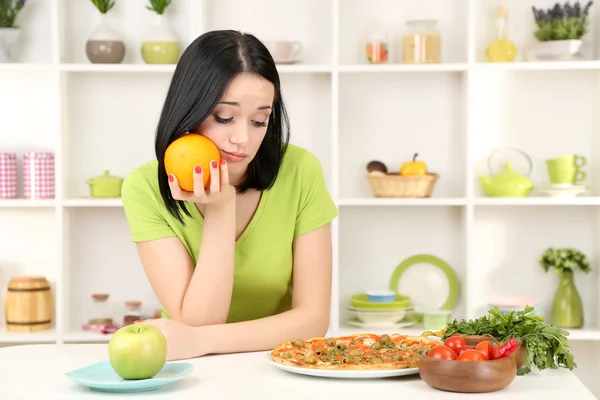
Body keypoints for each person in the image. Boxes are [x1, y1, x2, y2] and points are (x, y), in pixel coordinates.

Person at [121, 30, 338, 361]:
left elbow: (313, 319)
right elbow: (197, 322)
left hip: (280, 364)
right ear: (189, 110)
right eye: (224, 117)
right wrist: (221, 209)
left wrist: (203, 341)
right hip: (192, 367)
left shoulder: (300, 170)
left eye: (259, 120)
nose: (242, 139)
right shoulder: (143, 188)